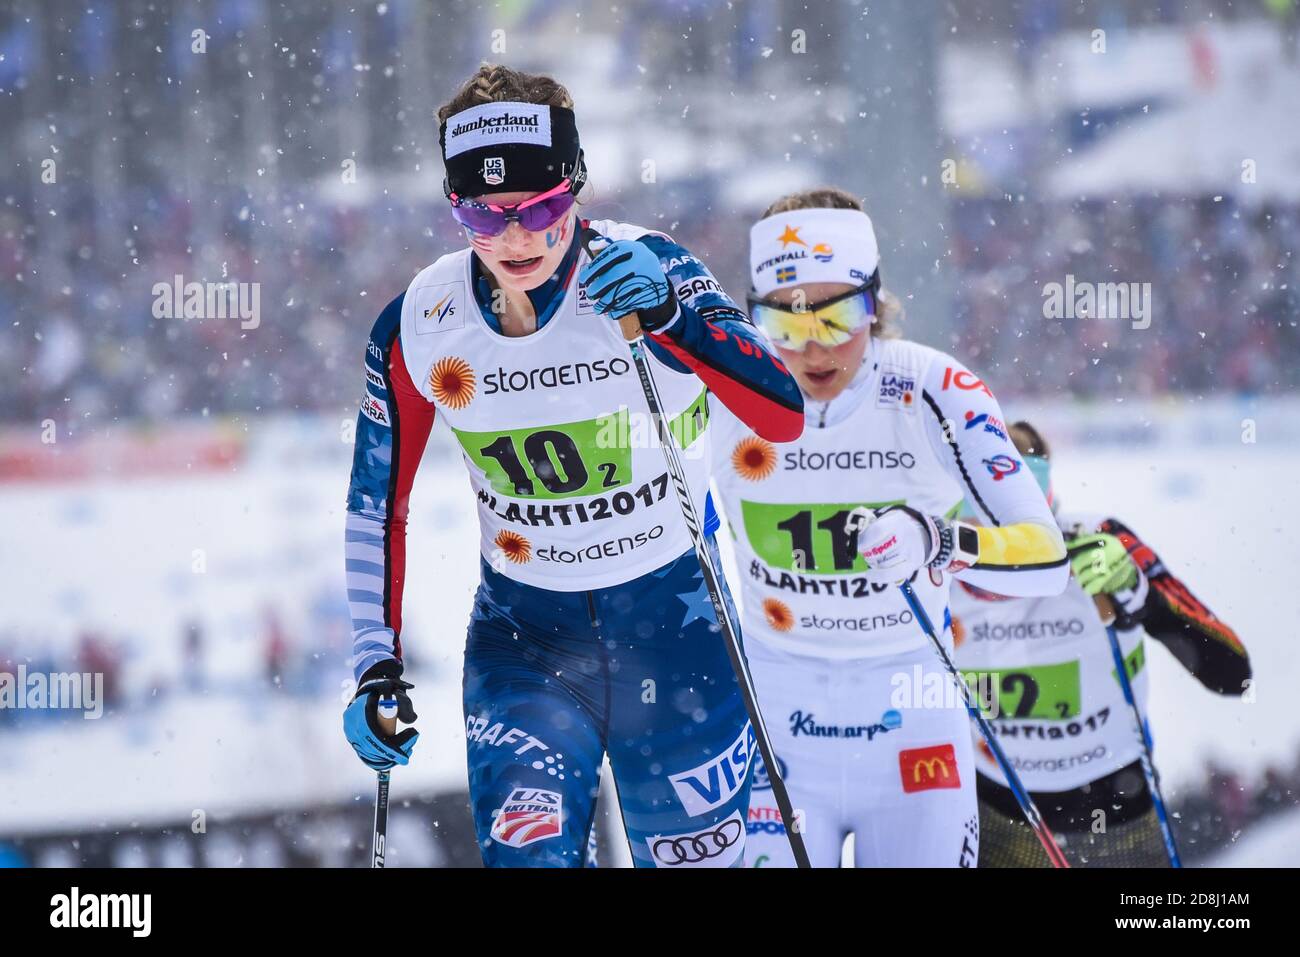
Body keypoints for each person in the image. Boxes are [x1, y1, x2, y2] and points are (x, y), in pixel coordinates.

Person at [340, 64, 804, 868]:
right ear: (456, 208)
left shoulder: (649, 267)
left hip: (678, 629)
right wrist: (374, 661)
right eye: (486, 214)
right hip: (529, 645)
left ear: (577, 187)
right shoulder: (421, 323)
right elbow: (379, 503)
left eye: (543, 208)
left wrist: (675, 319)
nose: (516, 237)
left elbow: (782, 412)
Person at [709, 187, 1067, 867]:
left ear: (876, 302)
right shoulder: (726, 392)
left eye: (838, 315)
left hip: (914, 734)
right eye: (784, 323)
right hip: (777, 735)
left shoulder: (933, 389)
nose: (814, 346)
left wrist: (938, 539)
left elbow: (1045, 556)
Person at [951, 421, 1253, 866]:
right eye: (988, 519)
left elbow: (1232, 674)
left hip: (1115, 812)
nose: (1011, 546)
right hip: (1001, 818)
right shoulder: (936, 559)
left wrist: (1141, 595)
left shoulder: (1098, 540)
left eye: (1027, 523)